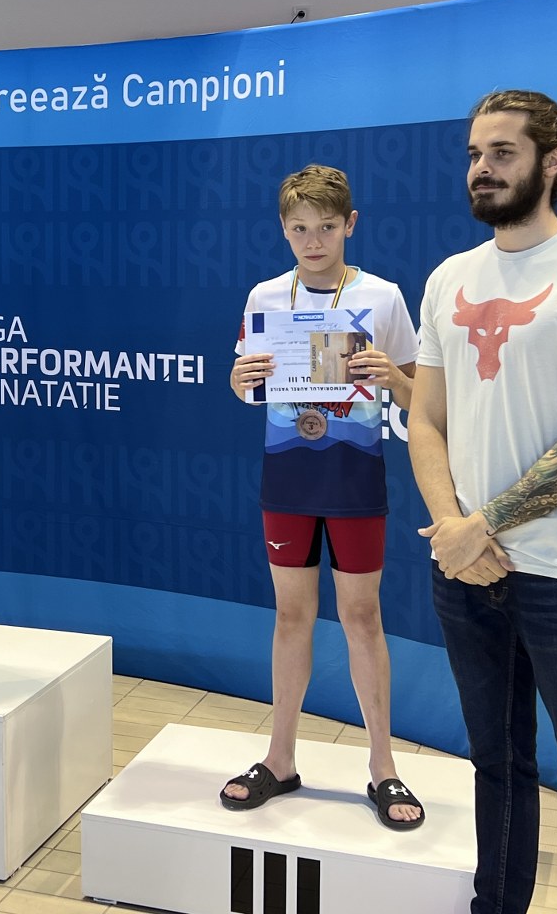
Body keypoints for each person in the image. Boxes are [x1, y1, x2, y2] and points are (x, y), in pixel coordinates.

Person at [410, 90, 557, 913]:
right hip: (465, 570)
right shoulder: (449, 278)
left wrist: (481, 525)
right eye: (474, 154)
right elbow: (426, 419)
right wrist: (453, 530)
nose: (481, 169)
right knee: (497, 765)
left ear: (551, 162)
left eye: (503, 153)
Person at [220, 164, 424, 830]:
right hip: (288, 479)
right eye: (300, 229)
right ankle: (280, 759)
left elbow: (421, 398)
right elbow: (247, 386)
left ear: (350, 225)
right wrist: (240, 379)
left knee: (362, 617)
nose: (313, 242)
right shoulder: (265, 296)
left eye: (327, 228)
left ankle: (383, 767)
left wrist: (391, 375)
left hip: (355, 479)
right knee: (291, 616)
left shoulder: (383, 297)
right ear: (283, 229)